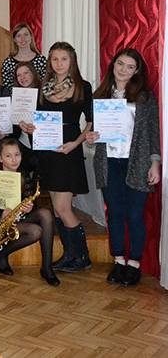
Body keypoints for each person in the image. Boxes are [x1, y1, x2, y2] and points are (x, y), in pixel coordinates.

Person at [87, 48, 161, 287]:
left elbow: (154, 132)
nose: (124, 70)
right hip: (108, 162)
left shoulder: (145, 97)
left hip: (137, 162)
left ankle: (134, 264)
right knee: (115, 213)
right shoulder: (100, 95)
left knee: (134, 215)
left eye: (130, 66)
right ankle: (118, 260)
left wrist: (155, 162)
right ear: (113, 65)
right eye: (120, 64)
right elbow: (94, 131)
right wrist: (91, 138)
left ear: (136, 71)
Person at [22, 42, 93, 273]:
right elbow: (37, 120)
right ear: (50, 62)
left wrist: (76, 143)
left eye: (64, 59)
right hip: (48, 151)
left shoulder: (83, 87)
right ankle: (70, 255)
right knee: (55, 206)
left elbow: (91, 122)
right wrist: (30, 128)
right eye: (55, 59)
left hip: (68, 151)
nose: (59, 64)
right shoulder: (43, 89)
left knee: (63, 208)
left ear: (71, 61)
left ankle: (82, 256)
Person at [0, 138, 59, 286]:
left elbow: (30, 203)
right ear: (0, 158)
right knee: (35, 231)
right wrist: (0, 215)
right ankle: (0, 254)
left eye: (17, 155)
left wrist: (29, 208)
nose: (14, 160)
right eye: (8, 156)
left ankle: (47, 268)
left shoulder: (24, 176)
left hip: (17, 219)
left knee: (45, 214)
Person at [1, 23, 47, 90]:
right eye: (18, 36)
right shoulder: (8, 63)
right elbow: (7, 88)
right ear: (14, 40)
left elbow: (45, 84)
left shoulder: (41, 60)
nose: (23, 39)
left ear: (31, 37)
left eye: (26, 35)